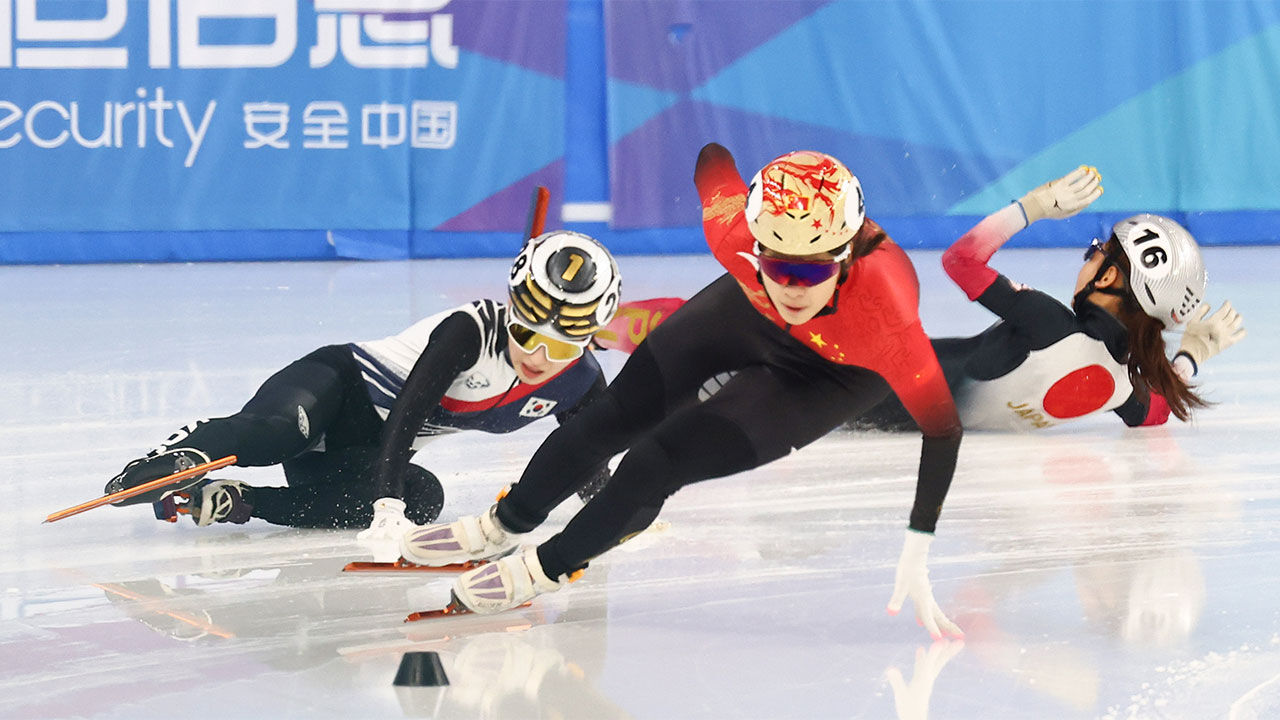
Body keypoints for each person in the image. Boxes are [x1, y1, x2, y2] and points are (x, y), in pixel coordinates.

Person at [401, 143, 966, 639]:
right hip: (748, 310)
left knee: (655, 461)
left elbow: (943, 430)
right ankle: (505, 523)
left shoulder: (888, 312)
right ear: (755, 243)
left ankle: (544, 568)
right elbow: (712, 160)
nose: (793, 287)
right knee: (612, 416)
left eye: (813, 272)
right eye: (777, 264)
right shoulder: (733, 232)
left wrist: (918, 548)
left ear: (845, 257)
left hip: (833, 372)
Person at [102, 230, 623, 531]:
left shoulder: (578, 383)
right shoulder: (469, 330)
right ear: (510, 309)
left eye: (558, 348)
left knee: (426, 500)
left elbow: (585, 456)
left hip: (354, 455)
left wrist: (606, 514)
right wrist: (385, 504)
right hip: (336, 388)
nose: (537, 357)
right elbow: (407, 416)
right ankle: (183, 457)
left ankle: (240, 502)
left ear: (585, 343)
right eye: (526, 334)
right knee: (280, 433)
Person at [851, 166, 1246, 433]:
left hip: (851, 380)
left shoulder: (1049, 323)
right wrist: (1190, 357)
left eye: (1095, 250)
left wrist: (1032, 207)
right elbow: (1156, 413)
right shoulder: (1119, 387)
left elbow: (960, 261)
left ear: (1108, 277)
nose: (1088, 257)